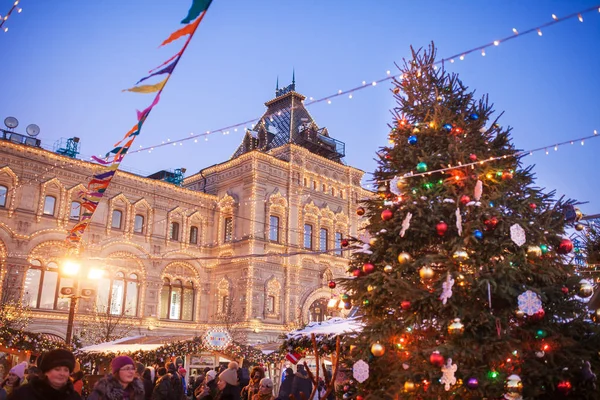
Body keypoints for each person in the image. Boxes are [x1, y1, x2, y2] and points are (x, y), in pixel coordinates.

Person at [9, 348, 81, 400]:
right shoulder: (24, 393)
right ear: (46, 371)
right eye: (57, 369)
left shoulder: (74, 397)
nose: (62, 373)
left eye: (66, 370)